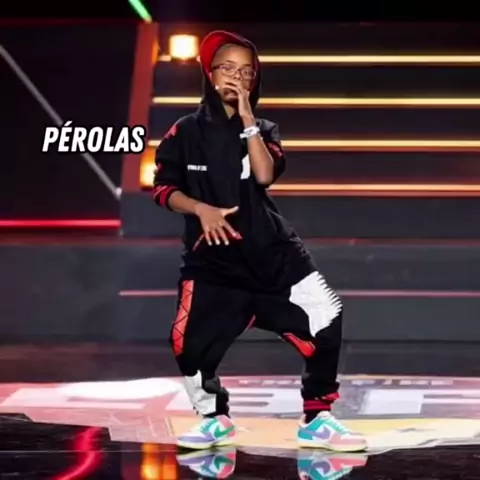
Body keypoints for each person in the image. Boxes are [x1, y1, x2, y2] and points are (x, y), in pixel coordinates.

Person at [153, 30, 367, 452]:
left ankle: (317, 419)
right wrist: (201, 209)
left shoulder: (265, 129)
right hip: (212, 263)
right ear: (209, 74)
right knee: (187, 344)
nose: (237, 77)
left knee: (326, 318)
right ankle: (213, 419)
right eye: (227, 68)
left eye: (246, 72)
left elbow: (266, 175)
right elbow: (164, 189)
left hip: (273, 255)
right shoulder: (184, 131)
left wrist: (247, 117)